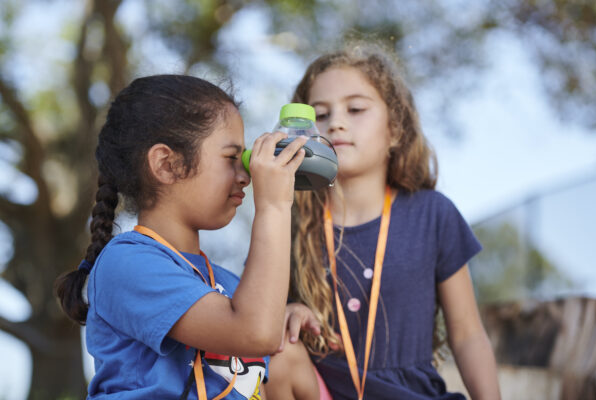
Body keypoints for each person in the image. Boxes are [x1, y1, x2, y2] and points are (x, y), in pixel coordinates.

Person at [267, 43, 501, 400]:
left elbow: (467, 332)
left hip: (414, 393)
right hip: (324, 389)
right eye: (321, 114)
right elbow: (254, 317)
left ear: (395, 130)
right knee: (279, 351)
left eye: (356, 108)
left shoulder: (433, 213)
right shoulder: (288, 218)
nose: (337, 123)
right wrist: (285, 311)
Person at [54, 74, 311, 399]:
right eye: (232, 158)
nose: (246, 175)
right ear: (167, 164)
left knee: (290, 353)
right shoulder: (127, 263)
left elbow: (262, 333)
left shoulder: (229, 286)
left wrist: (283, 317)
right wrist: (274, 205)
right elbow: (254, 333)